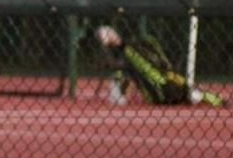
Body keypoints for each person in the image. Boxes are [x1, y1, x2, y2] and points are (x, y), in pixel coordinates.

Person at [95, 25, 224, 107]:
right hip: (158, 94)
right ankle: (197, 96)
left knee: (187, 89)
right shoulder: (128, 55)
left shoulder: (137, 48)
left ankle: (203, 97)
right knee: (121, 74)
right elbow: (118, 63)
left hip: (164, 88)